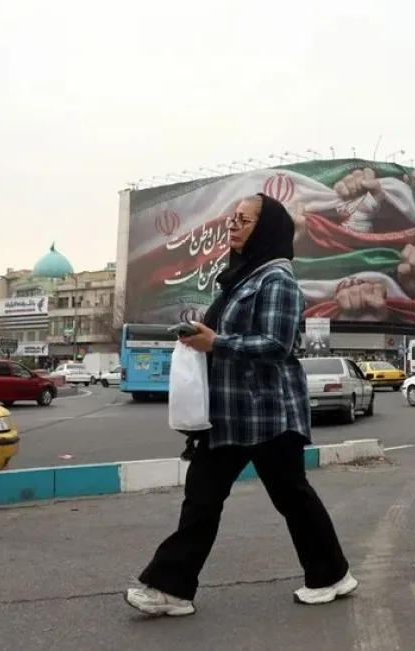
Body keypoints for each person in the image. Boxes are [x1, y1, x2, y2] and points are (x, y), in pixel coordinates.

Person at [125, 193, 355, 617]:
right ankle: (170, 589)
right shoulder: (240, 279)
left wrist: (216, 341)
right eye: (231, 218)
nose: (232, 225)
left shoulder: (277, 281)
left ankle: (331, 576)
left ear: (265, 230)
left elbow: (276, 345)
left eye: (243, 220)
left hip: (267, 415)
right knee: (203, 498)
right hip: (230, 415)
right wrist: (200, 333)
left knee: (292, 498)